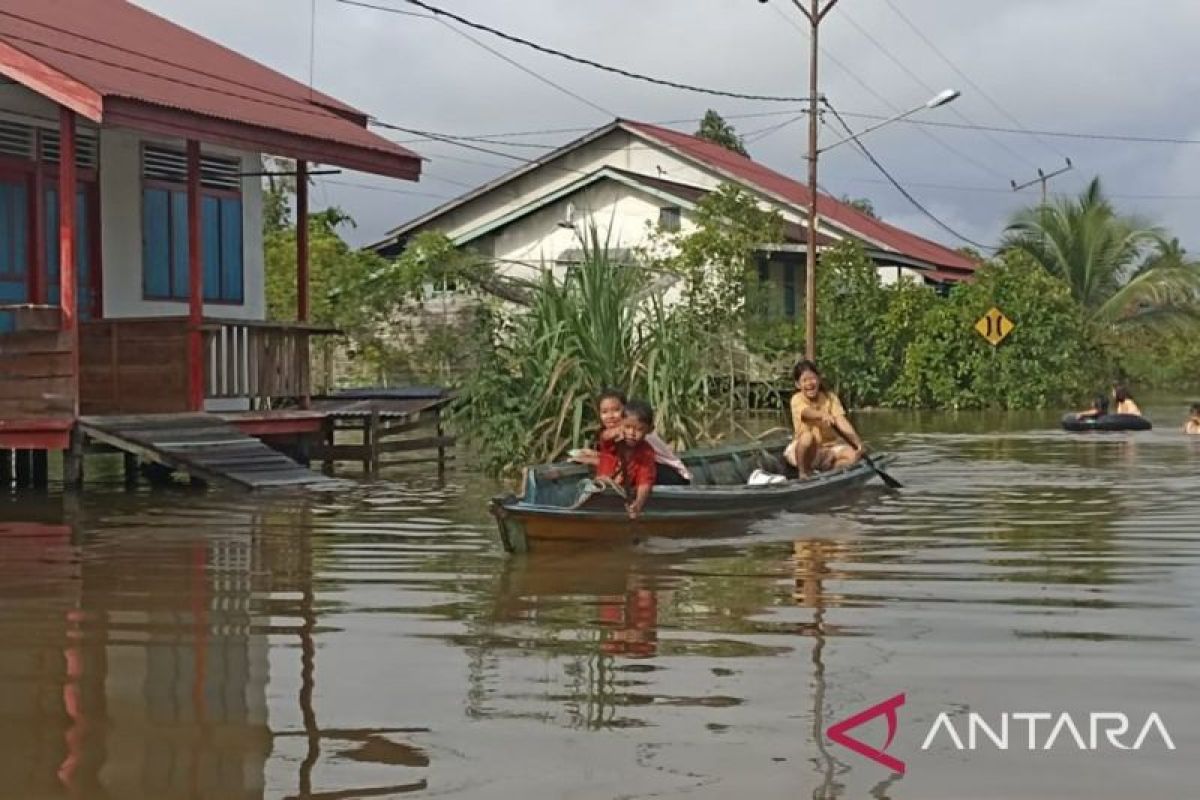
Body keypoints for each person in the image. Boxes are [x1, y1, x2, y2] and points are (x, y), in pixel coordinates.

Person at [571, 388, 692, 485]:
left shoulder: (635, 432)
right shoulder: (613, 433)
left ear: (626, 411)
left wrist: (594, 460)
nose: (610, 416)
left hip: (671, 475)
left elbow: (630, 462)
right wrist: (594, 454)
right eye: (604, 412)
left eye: (616, 410)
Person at [784, 360, 864, 476]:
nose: (809, 384)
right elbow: (806, 412)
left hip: (828, 449)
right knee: (807, 437)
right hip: (804, 452)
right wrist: (822, 415)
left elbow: (841, 421)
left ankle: (831, 470)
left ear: (819, 379)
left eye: (812, 379)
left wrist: (857, 443)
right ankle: (803, 473)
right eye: (804, 380)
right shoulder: (797, 399)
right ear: (798, 384)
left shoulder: (830, 398)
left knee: (853, 456)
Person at [595, 399, 658, 519]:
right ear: (620, 424)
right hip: (601, 489)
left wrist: (638, 503)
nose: (631, 433)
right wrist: (616, 432)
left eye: (639, 429)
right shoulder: (614, 441)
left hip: (620, 495)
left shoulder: (646, 453)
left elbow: (645, 481)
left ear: (649, 430)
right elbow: (604, 437)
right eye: (627, 427)